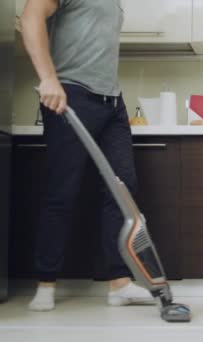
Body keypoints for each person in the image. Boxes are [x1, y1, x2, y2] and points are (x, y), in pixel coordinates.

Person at [20, 0, 153, 311]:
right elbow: (31, 16)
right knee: (61, 191)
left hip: (112, 101)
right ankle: (46, 282)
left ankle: (119, 283)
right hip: (72, 95)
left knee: (122, 190)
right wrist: (48, 78)